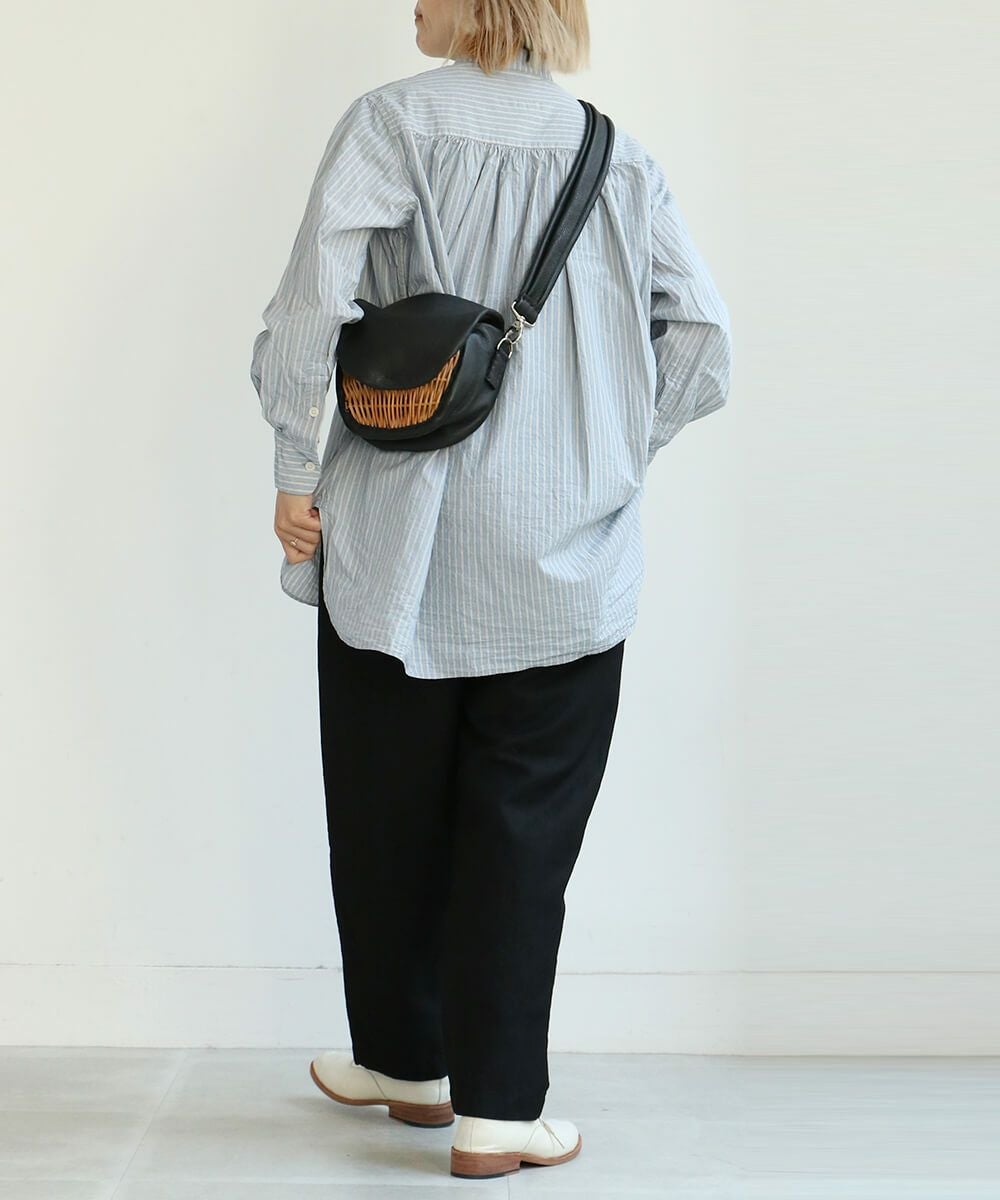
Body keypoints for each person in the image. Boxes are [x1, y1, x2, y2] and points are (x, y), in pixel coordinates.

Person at [249, 0, 731, 1181]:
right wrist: (603, 457)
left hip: (392, 546)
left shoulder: (390, 126)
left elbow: (309, 313)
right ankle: (495, 1110)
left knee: (383, 813)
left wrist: (296, 469)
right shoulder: (617, 158)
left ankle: (408, 1063)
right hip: (564, 562)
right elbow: (701, 344)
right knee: (522, 834)